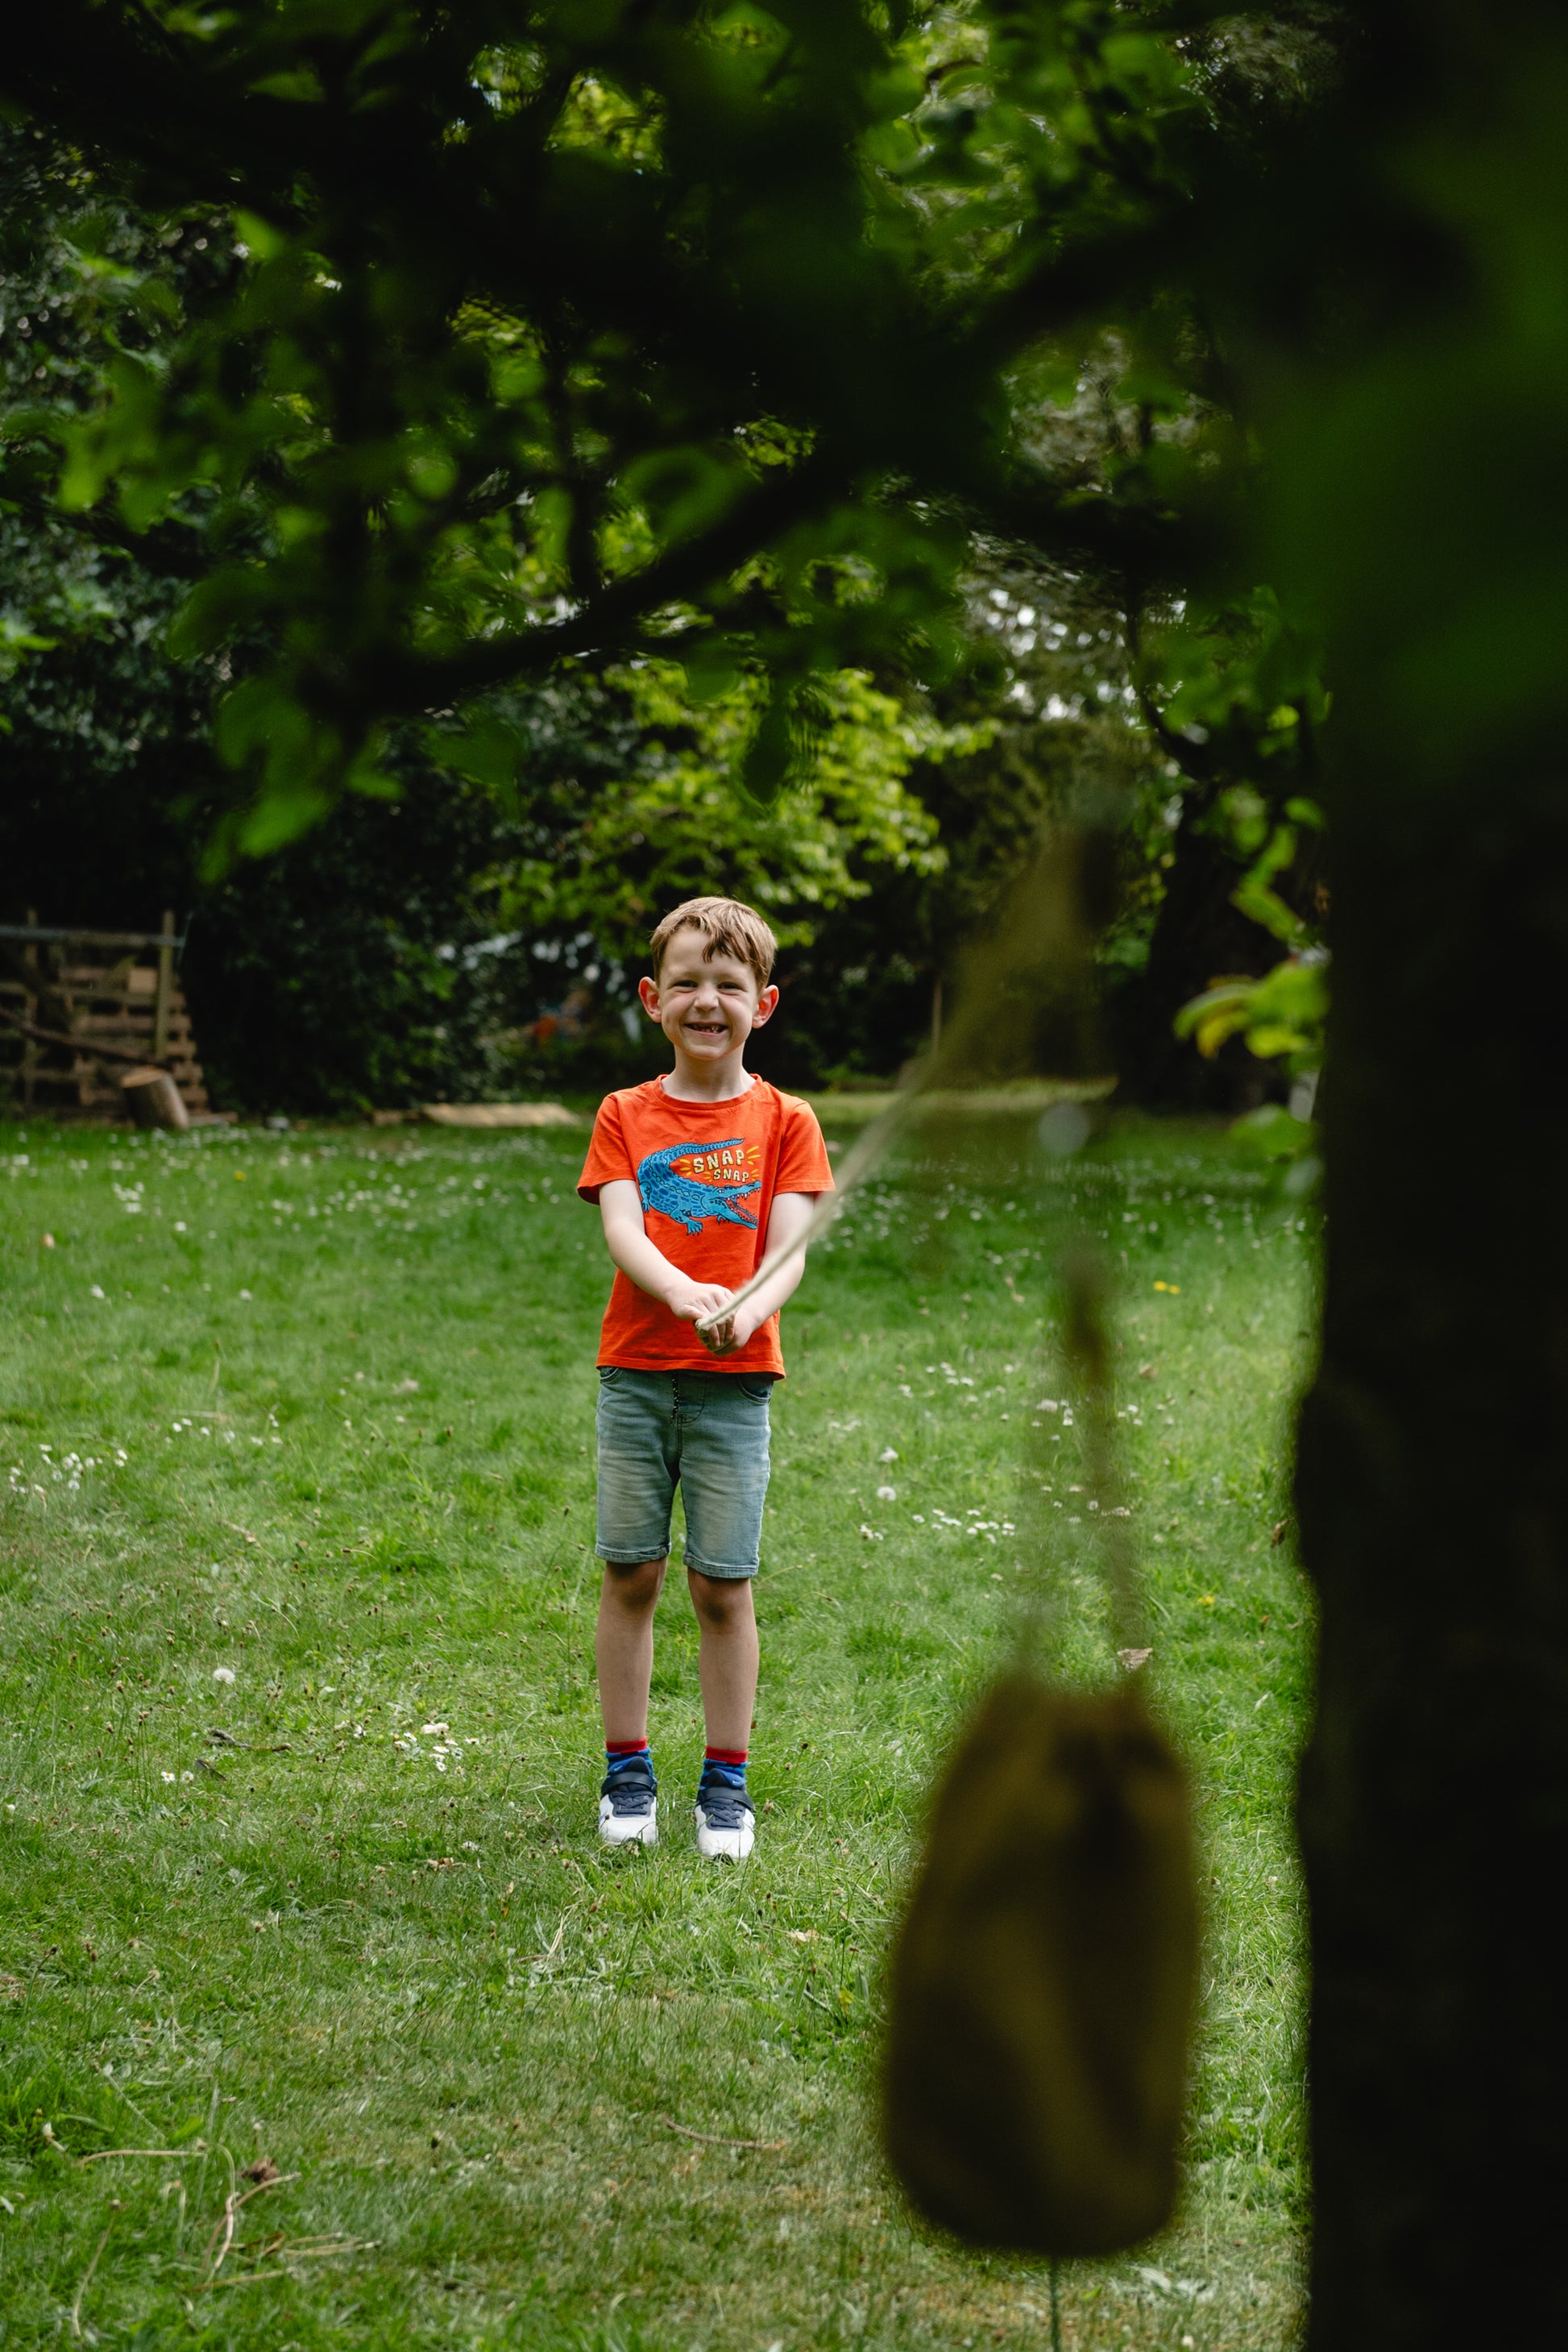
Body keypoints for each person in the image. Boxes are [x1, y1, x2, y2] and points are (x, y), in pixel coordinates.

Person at [575, 896, 834, 1860]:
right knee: (631, 1574)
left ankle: (725, 1788)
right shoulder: (624, 1115)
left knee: (723, 1588)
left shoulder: (787, 1121)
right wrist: (690, 1296)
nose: (705, 1000)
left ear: (762, 1004)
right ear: (652, 998)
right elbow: (620, 1227)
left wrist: (749, 1305)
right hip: (637, 1378)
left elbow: (791, 1246)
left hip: (735, 1389)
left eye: (728, 985)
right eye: (685, 981)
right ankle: (626, 1774)